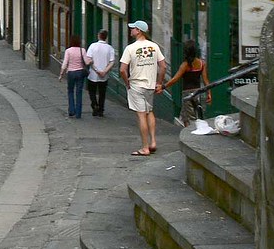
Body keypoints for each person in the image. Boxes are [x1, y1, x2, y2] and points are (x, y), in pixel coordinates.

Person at [119, 19, 166, 156]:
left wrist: (127, 82)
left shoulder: (130, 48)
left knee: (141, 116)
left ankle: (145, 147)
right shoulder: (154, 46)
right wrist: (159, 83)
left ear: (139, 31)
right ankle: (153, 142)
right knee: (149, 111)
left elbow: (122, 69)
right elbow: (163, 66)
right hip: (150, 85)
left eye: (133, 28)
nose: (131, 30)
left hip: (136, 85)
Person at [163, 39, 211, 126]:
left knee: (188, 118)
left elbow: (175, 78)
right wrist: (209, 93)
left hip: (187, 93)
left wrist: (163, 86)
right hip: (198, 92)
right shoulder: (202, 63)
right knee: (195, 114)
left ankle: (190, 134)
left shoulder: (185, 65)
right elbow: (205, 80)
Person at [59, 34, 91, 119]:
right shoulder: (82, 50)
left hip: (71, 73)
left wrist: (61, 74)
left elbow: (65, 63)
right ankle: (78, 113)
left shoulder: (68, 51)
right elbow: (87, 62)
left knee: (70, 91)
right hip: (80, 72)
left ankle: (71, 110)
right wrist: (92, 60)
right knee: (79, 92)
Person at [85, 30, 117, 117]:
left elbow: (89, 60)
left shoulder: (93, 46)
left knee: (92, 91)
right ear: (106, 37)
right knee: (102, 93)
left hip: (93, 75)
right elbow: (112, 62)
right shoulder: (110, 48)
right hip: (104, 76)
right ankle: (101, 110)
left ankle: (94, 104)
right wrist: (104, 71)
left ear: (99, 36)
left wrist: (96, 70)